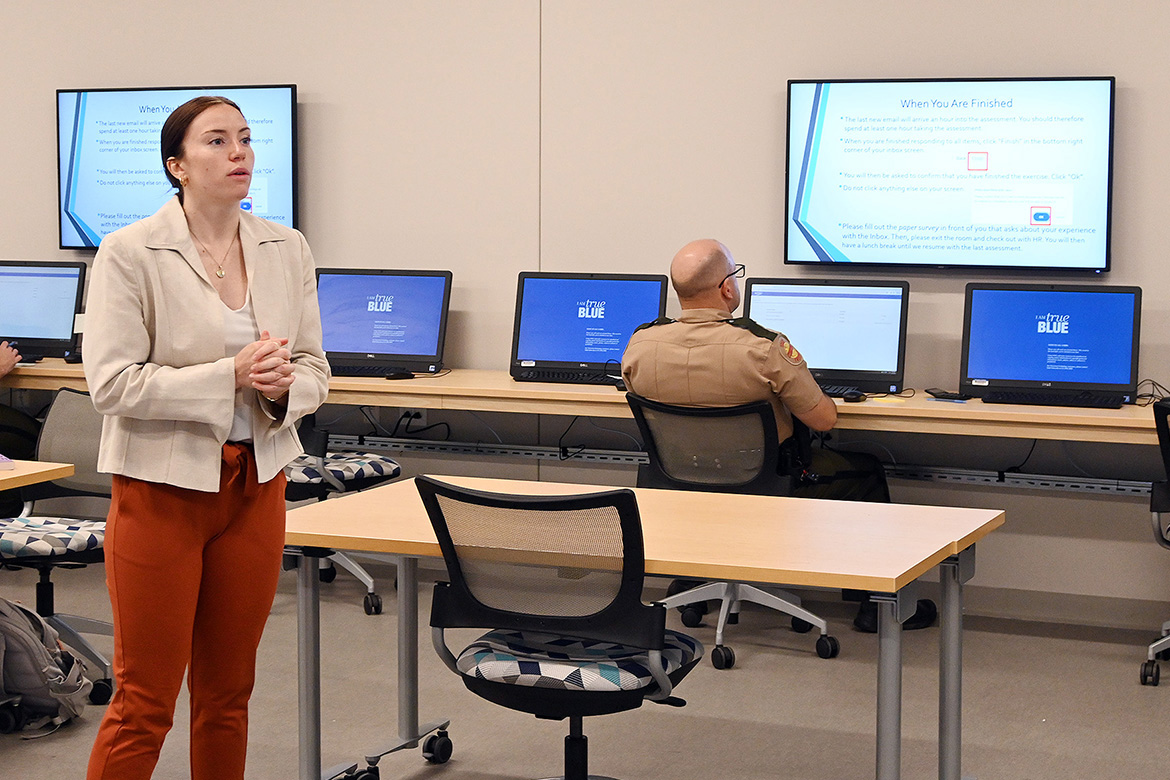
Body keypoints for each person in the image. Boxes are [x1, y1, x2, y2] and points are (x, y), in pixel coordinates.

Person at [83, 96, 330, 780]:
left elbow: (314, 367)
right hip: (161, 491)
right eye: (218, 141)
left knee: (228, 697)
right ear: (178, 165)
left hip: (256, 487)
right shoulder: (129, 251)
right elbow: (112, 384)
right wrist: (230, 375)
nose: (239, 152)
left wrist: (283, 387)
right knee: (145, 701)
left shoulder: (287, 247)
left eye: (245, 139)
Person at [622, 238, 934, 631]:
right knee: (866, 472)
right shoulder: (763, 347)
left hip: (679, 481)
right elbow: (824, 420)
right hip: (766, 482)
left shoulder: (640, 343)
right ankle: (874, 607)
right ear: (727, 288)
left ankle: (693, 573)